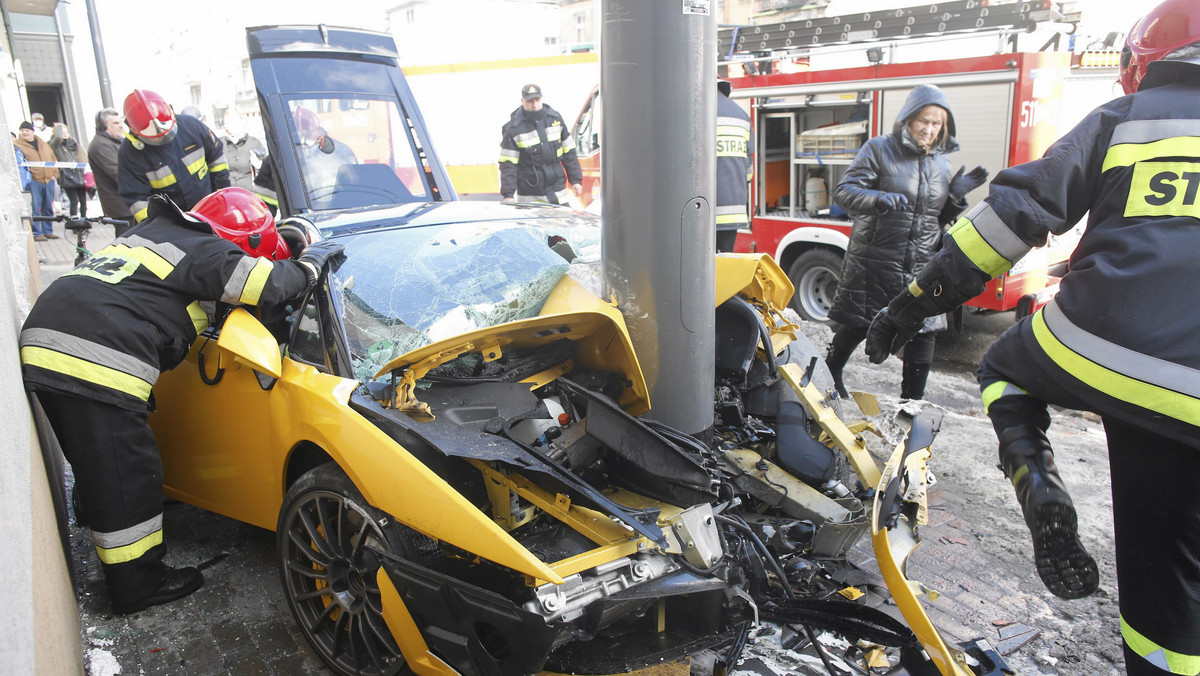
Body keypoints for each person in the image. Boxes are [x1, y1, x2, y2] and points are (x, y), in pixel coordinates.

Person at [864, 1, 1200, 671]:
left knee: (1006, 367)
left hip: (1120, 351)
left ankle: (1035, 477)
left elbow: (1006, 224)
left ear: (1143, 65)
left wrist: (910, 306)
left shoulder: (1127, 119)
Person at [19, 187, 344, 615]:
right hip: (92, 354)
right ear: (243, 244)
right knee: (128, 472)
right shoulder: (209, 251)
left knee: (99, 460)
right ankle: (137, 583)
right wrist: (307, 267)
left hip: (49, 338)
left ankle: (92, 510)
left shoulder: (157, 233)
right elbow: (268, 285)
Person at [824, 84, 987, 400]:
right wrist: (878, 199)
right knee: (859, 324)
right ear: (909, 119)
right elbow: (843, 193)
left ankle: (911, 403)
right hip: (876, 259)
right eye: (923, 120)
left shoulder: (941, 162)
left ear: (944, 127)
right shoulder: (879, 149)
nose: (928, 129)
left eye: (936, 123)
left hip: (921, 263)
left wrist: (954, 197)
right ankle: (830, 375)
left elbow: (934, 219)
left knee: (923, 332)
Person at [118, 89, 230, 223]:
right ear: (135, 133)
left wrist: (222, 196)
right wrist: (157, 228)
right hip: (171, 223)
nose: (162, 139)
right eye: (154, 139)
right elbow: (137, 200)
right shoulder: (129, 154)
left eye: (167, 133)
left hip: (209, 211)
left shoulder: (192, 126)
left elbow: (216, 159)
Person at [499, 84, 583, 206]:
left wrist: (575, 180)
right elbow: (508, 164)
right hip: (531, 197)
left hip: (558, 194)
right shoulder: (514, 128)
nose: (534, 104)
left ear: (541, 99)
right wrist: (508, 195)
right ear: (522, 101)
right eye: (530, 101)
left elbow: (569, 152)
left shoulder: (555, 120)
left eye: (537, 100)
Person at [716, 80, 752, 253]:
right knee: (724, 265)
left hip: (702, 211)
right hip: (734, 211)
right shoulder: (741, 115)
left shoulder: (695, 110)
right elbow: (749, 171)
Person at [88, 107, 135, 235]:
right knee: (126, 244)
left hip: (128, 204)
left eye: (121, 122)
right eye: (115, 123)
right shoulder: (101, 145)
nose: (121, 126)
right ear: (103, 126)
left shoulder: (115, 142)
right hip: (121, 207)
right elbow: (118, 173)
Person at [13, 120, 60, 241]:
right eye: (22, 131)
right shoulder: (18, 145)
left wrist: (54, 174)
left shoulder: (42, 144)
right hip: (34, 180)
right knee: (35, 207)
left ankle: (48, 231)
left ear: (32, 132)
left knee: (48, 207)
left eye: (27, 130)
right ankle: (37, 232)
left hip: (48, 179)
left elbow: (52, 158)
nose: (25, 133)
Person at [49, 123, 88, 219]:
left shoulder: (73, 143)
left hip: (78, 174)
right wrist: (58, 127)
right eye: (62, 133)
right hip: (67, 176)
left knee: (83, 201)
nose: (65, 135)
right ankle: (74, 222)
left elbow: (82, 156)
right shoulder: (56, 144)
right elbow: (58, 138)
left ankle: (84, 221)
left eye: (66, 132)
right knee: (74, 201)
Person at [221, 114, 265, 192]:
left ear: (242, 123)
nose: (231, 125)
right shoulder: (220, 144)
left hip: (249, 193)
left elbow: (266, 169)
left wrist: (258, 164)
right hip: (226, 193)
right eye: (227, 123)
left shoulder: (254, 143)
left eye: (234, 122)